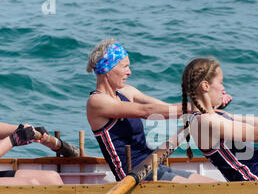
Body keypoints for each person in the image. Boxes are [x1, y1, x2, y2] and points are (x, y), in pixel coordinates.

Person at [86, 38, 221, 183]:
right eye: (125, 67)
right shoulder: (97, 102)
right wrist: (195, 107)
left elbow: (163, 108)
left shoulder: (127, 92)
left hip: (152, 165)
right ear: (109, 69)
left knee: (214, 184)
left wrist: (208, 101)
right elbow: (147, 111)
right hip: (133, 176)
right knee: (204, 190)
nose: (129, 72)